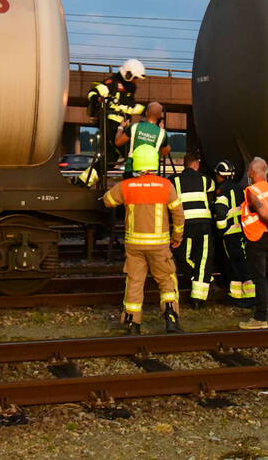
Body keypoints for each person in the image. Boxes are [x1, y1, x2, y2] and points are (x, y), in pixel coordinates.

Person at [102, 144, 185, 335]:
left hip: (134, 246)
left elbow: (108, 200)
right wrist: (177, 236)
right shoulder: (166, 186)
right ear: (154, 163)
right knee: (166, 281)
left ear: (136, 164)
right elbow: (178, 214)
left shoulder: (127, 186)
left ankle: (133, 323)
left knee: (135, 282)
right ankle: (171, 318)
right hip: (159, 246)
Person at [78, 58, 147, 188]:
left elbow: (130, 105)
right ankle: (131, 180)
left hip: (121, 124)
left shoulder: (131, 87)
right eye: (134, 77)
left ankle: (83, 181)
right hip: (110, 123)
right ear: (128, 73)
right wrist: (97, 98)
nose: (135, 80)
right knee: (128, 150)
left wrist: (146, 110)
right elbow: (92, 92)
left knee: (110, 158)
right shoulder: (111, 83)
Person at [239, 157, 268, 329]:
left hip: (257, 237)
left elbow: (263, 213)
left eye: (250, 170)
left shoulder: (252, 191)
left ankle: (260, 318)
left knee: (260, 277)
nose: (249, 173)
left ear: (255, 171)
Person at [172, 153, 215, 307]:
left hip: (185, 224)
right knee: (204, 259)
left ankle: (201, 280)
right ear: (196, 164)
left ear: (184, 164)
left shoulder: (174, 180)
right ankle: (199, 296)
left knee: (183, 256)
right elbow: (212, 189)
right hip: (203, 224)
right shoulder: (205, 179)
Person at [212, 159, 255, 305]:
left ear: (220, 175)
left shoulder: (221, 190)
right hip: (241, 232)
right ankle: (241, 296)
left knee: (234, 264)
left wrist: (221, 230)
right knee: (241, 262)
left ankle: (245, 298)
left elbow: (221, 211)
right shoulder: (240, 188)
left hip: (229, 234)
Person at [116, 101, 170, 179]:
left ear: (146, 113)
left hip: (131, 170)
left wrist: (121, 128)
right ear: (159, 116)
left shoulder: (134, 127)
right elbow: (165, 151)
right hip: (151, 172)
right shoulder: (162, 133)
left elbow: (118, 142)